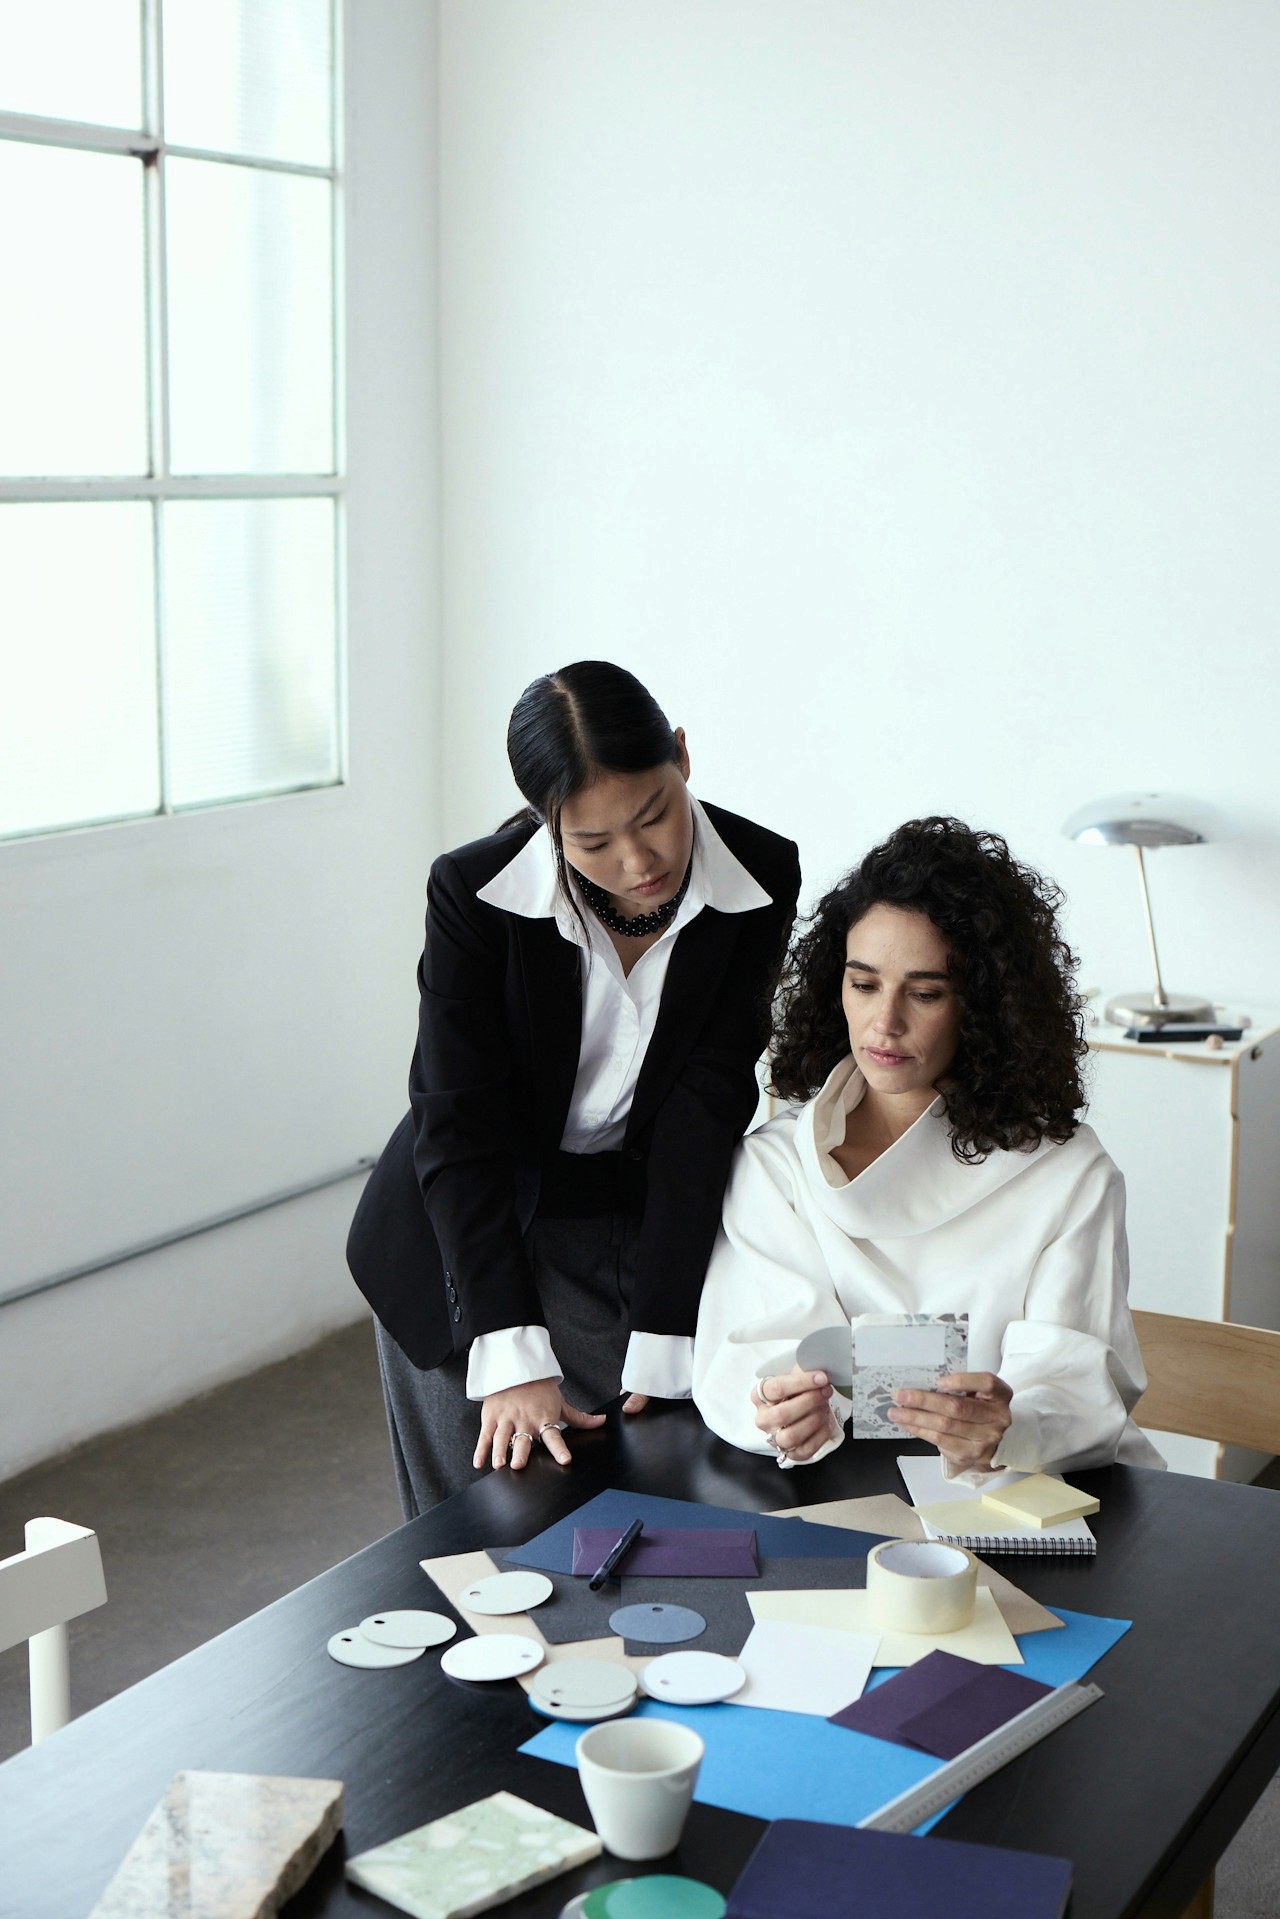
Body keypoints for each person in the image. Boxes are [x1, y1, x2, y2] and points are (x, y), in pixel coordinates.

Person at [348, 660, 801, 1515]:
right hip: (465, 1234)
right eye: (591, 843)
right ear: (545, 822)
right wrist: (512, 1354)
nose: (637, 862)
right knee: (475, 1532)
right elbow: (459, 1127)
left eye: (653, 815)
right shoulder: (473, 896)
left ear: (682, 757)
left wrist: (667, 1341)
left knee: (660, 1492)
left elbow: (703, 1113)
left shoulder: (760, 876)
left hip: (635, 1214)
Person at [692, 816, 1164, 1479]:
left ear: (984, 1005)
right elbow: (744, 1359)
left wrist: (1011, 1424)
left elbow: (1077, 1382)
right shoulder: (776, 1168)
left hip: (1028, 1501)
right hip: (836, 1500)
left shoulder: (1067, 1173)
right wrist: (778, 1412)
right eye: (863, 984)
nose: (885, 1022)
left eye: (925, 992)